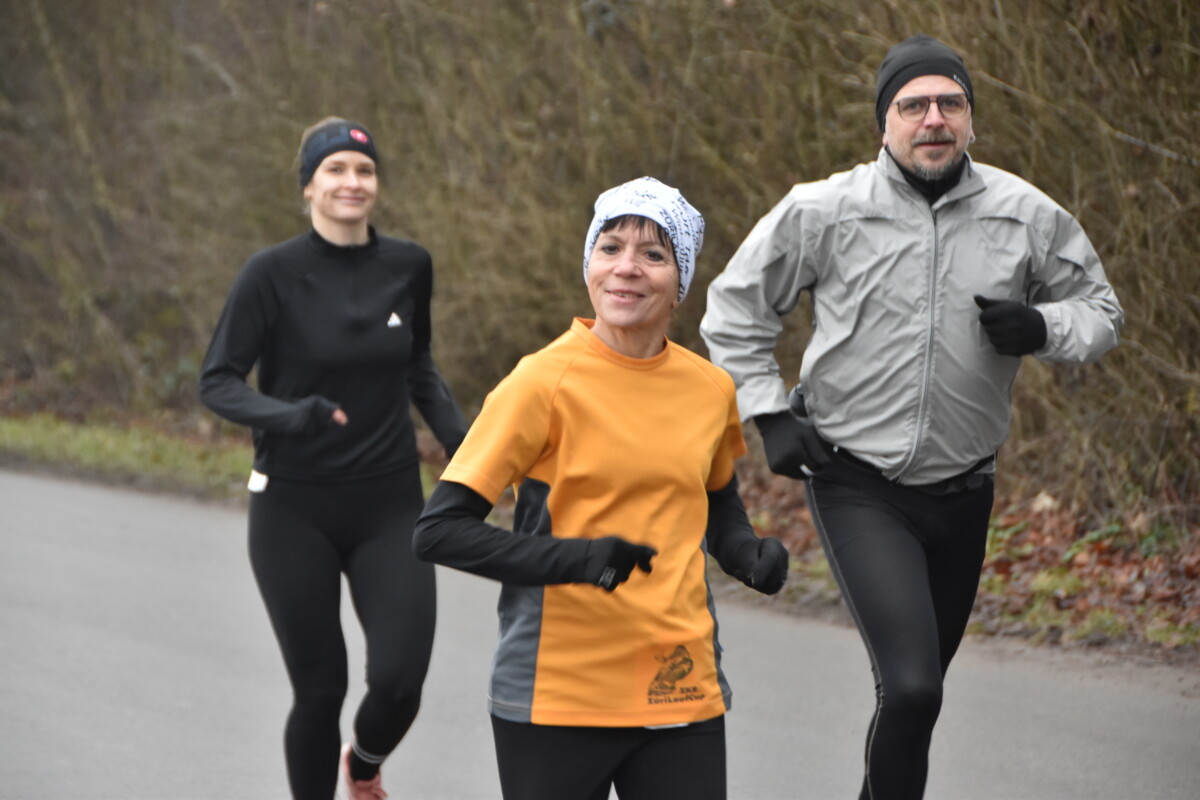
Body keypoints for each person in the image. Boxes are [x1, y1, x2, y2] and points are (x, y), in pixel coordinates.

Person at [700, 35, 1123, 800]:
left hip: (965, 488)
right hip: (858, 481)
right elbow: (734, 308)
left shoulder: (1025, 215)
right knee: (913, 687)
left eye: (950, 103)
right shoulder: (824, 211)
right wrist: (766, 412)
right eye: (913, 105)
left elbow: (1101, 311)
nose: (934, 118)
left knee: (914, 701)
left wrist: (1044, 326)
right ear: (884, 123)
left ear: (971, 120)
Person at [412, 177, 789, 800]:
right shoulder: (540, 382)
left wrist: (748, 555)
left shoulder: (710, 389)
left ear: (680, 280)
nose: (626, 268)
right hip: (558, 691)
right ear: (589, 264)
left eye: (653, 254)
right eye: (609, 248)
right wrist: (580, 559)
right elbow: (439, 533)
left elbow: (717, 504)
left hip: (678, 683)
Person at [198, 117, 467, 800]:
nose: (353, 182)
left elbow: (419, 367)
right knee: (320, 690)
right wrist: (293, 415)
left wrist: (471, 450)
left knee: (400, 679)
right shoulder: (270, 274)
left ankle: (364, 764)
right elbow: (218, 381)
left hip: (390, 505)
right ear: (309, 186)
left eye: (364, 170)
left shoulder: (409, 265)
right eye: (336, 169)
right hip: (293, 508)